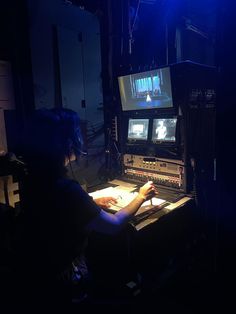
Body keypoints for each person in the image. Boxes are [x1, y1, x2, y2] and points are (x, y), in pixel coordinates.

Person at [20, 108, 157, 304]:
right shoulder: (68, 190)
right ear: (66, 142)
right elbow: (114, 224)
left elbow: (61, 212)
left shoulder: (33, 180)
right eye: (76, 132)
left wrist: (90, 203)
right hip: (67, 279)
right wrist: (141, 196)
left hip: (40, 272)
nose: (80, 137)